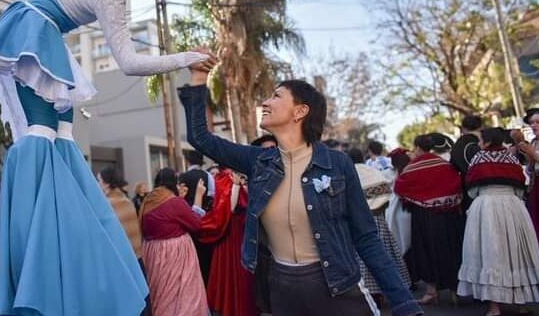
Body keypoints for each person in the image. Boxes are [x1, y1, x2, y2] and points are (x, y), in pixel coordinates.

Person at [0, 0, 214, 315]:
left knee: (64, 138)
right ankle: (39, 256)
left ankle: (71, 242)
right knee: (41, 134)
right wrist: (188, 58)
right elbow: (127, 62)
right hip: (34, 32)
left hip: (46, 34)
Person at [178, 60, 422, 316]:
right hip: (281, 293)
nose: (265, 103)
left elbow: (366, 238)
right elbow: (200, 138)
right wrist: (198, 75)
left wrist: (404, 304)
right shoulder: (258, 162)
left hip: (337, 289)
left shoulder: (337, 164)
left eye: (276, 96)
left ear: (300, 112)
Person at [457, 127, 539, 316]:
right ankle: (522, 304)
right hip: (513, 206)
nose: (478, 144)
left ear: (486, 142)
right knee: (515, 252)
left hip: (486, 207)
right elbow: (520, 185)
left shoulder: (478, 158)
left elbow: (472, 187)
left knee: (491, 253)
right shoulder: (511, 158)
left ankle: (494, 307)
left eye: (480, 140)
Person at [395, 134, 465, 305]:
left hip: (423, 217)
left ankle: (431, 291)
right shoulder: (445, 164)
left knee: (425, 251)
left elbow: (400, 187)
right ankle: (455, 289)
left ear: (418, 148)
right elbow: (457, 183)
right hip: (448, 215)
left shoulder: (412, 168)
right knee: (451, 248)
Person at [348, 148, 411, 310]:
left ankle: (371, 296)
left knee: (362, 262)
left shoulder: (348, 174)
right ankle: (388, 293)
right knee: (385, 257)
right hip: (379, 221)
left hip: (357, 225)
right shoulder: (373, 171)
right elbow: (386, 196)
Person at [140, 168, 208, 316]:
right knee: (181, 296)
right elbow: (196, 224)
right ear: (174, 183)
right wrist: (198, 197)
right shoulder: (174, 202)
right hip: (174, 253)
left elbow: (166, 217)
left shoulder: (149, 200)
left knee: (161, 295)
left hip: (152, 252)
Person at [198, 169, 257, 316]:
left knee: (243, 276)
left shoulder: (239, 175)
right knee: (233, 273)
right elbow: (227, 208)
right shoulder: (223, 178)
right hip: (229, 233)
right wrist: (236, 185)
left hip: (241, 231)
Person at [97, 167, 150, 316]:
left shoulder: (107, 204)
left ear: (106, 184)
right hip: (137, 258)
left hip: (123, 262)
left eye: (99, 180)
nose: (97, 184)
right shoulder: (126, 200)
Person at [517, 108, 539, 272]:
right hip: (536, 186)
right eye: (532, 123)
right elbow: (531, 170)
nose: (534, 126)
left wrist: (536, 156)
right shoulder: (534, 143)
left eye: (538, 122)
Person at [450, 115, 482, 211]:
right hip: (489, 186)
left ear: (463, 128)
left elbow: (453, 166)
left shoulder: (458, 144)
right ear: (481, 126)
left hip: (467, 187)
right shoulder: (485, 140)